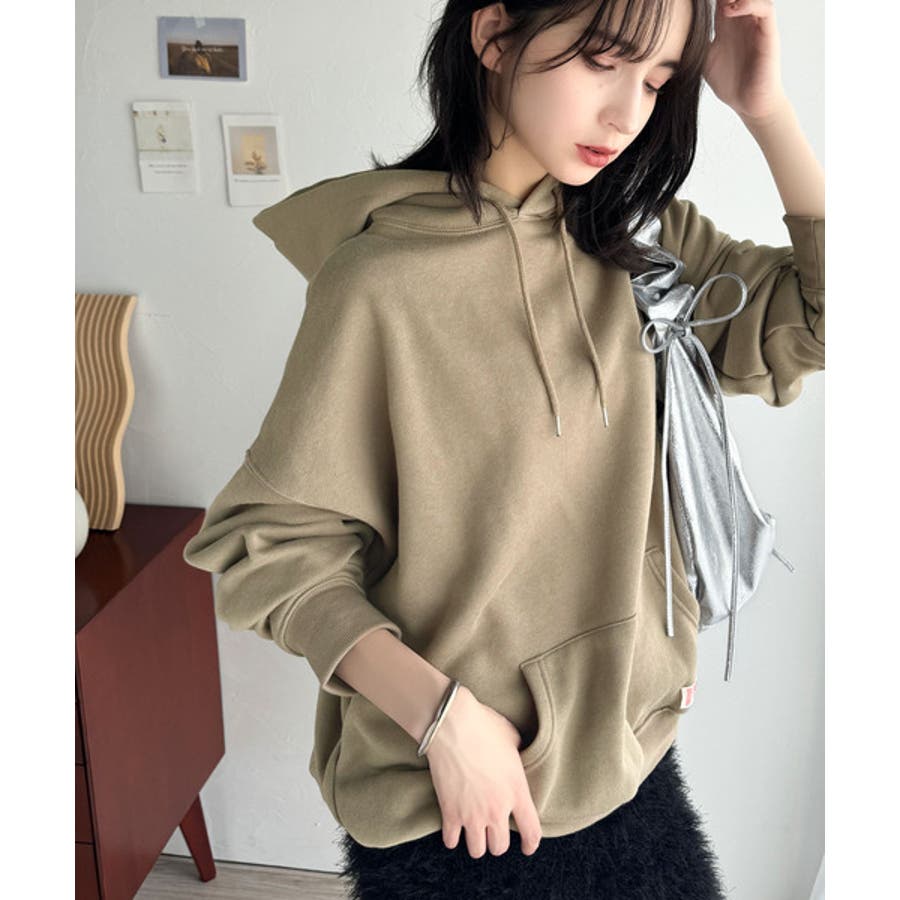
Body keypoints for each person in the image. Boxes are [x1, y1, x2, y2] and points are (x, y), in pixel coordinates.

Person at [182, 0, 824, 896]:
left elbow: (826, 316)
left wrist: (767, 111)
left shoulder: (642, 243)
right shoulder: (381, 282)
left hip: (627, 762)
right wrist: (445, 721)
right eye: (602, 60)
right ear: (492, 35)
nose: (626, 114)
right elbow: (273, 548)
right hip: (460, 799)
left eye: (655, 82)